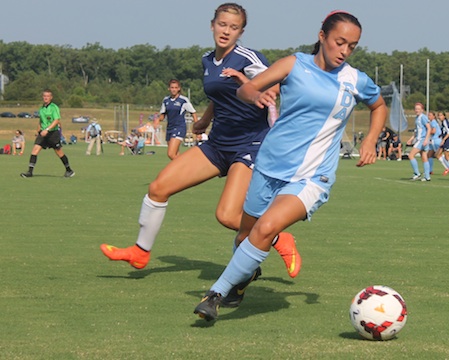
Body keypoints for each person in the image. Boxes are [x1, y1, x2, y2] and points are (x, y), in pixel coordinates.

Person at [193, 10, 387, 322]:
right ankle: (241, 281)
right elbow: (245, 89)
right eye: (340, 42)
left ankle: (215, 294)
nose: (345, 51)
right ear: (322, 37)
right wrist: (255, 92)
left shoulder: (354, 80)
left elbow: (378, 105)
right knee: (246, 236)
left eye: (352, 46)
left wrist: (371, 140)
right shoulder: (294, 64)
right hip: (269, 167)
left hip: (312, 177)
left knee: (267, 228)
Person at [101, 3, 299, 303]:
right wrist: (206, 119)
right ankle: (140, 252)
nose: (226, 31)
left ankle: (278, 235)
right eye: (222, 24)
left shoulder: (248, 57)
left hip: (251, 145)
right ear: (212, 25)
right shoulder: (208, 61)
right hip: (217, 144)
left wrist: (259, 89)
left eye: (233, 27)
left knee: (228, 215)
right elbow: (220, 94)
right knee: (159, 188)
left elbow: (275, 84)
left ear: (241, 32)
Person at [20, 89, 75, 178]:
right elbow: (41, 121)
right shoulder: (41, 109)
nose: (46, 98)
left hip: (53, 133)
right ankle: (30, 172)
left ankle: (69, 170)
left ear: (51, 97)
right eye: (44, 96)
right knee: (35, 150)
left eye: (48, 96)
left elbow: (56, 120)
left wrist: (48, 129)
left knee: (59, 152)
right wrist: (38, 130)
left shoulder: (54, 107)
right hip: (43, 133)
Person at [155, 79, 199, 160]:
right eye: (172, 87)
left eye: (175, 87)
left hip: (179, 127)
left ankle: (185, 167)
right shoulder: (166, 100)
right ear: (169, 88)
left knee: (171, 154)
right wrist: (157, 120)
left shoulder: (183, 100)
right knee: (176, 154)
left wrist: (197, 128)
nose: (173, 89)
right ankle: (183, 171)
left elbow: (193, 113)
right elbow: (162, 115)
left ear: (179, 88)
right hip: (169, 129)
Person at [407, 103, 431, 181]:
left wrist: (426, 139)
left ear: (422, 110)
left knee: (411, 155)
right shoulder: (417, 118)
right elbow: (417, 131)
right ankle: (427, 176)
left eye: (418, 109)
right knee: (424, 157)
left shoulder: (423, 117)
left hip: (422, 140)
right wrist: (411, 139)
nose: (416, 110)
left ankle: (417, 173)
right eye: (415, 109)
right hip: (420, 139)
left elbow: (429, 128)